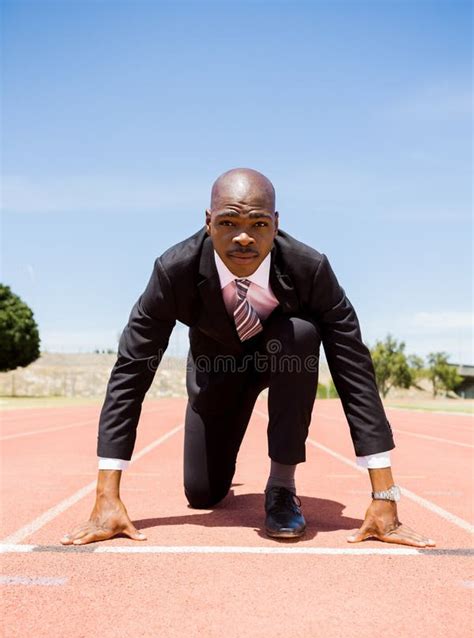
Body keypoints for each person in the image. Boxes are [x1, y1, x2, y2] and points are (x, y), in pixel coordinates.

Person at [61, 168, 435, 548]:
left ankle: (282, 488)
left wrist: (384, 495)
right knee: (203, 495)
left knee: (301, 334)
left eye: (258, 223)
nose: (243, 237)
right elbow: (132, 370)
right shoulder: (174, 271)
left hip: (285, 358)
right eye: (228, 222)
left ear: (275, 224)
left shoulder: (310, 268)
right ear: (208, 223)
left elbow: (352, 366)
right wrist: (106, 494)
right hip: (216, 374)